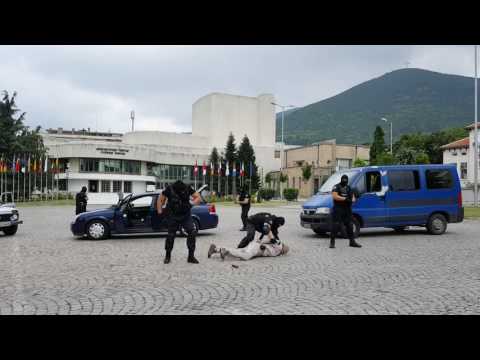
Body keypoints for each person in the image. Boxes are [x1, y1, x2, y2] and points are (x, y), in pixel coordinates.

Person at [156, 180, 202, 264]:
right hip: (173, 215)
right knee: (171, 235)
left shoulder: (188, 188)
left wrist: (192, 203)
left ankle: (191, 256)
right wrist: (159, 211)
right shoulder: (169, 189)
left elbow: (198, 197)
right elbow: (160, 198)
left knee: (192, 232)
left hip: (185, 215)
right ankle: (168, 256)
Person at [208, 225, 289, 261]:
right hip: (256, 248)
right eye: (285, 250)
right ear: (283, 248)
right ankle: (222, 250)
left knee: (239, 252)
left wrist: (261, 240)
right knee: (246, 256)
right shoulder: (279, 246)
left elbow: (266, 241)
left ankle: (216, 249)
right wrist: (268, 231)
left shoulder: (276, 252)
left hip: (255, 247)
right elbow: (271, 239)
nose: (284, 252)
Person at [330, 174, 362, 249]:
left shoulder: (349, 188)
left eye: (346, 180)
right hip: (338, 208)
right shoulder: (336, 186)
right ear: (341, 179)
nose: (345, 181)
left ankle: (352, 242)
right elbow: (335, 196)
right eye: (343, 179)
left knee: (350, 225)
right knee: (336, 225)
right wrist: (344, 199)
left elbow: (353, 197)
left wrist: (353, 198)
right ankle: (332, 242)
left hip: (347, 209)